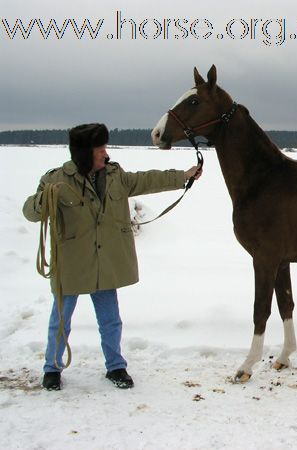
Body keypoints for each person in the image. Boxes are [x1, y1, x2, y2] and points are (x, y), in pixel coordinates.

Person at [22, 123, 201, 391]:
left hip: (105, 263)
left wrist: (182, 176)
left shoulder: (116, 175)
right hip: (71, 263)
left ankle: (116, 366)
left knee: (111, 320)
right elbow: (30, 212)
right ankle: (52, 368)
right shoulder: (56, 179)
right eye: (100, 148)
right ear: (84, 152)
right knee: (60, 321)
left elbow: (146, 180)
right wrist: (45, 199)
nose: (105, 153)